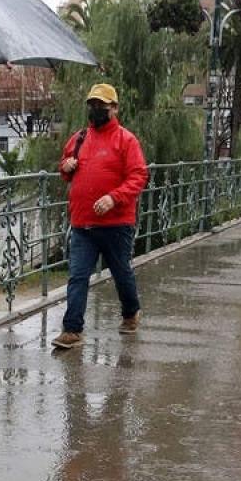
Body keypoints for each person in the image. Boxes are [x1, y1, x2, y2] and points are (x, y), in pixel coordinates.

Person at [51, 83, 149, 350]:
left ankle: (131, 312)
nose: (95, 109)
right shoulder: (79, 138)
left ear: (114, 108)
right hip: (82, 223)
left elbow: (138, 176)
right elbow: (65, 169)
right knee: (77, 276)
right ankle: (72, 330)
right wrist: (66, 166)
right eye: (92, 105)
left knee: (121, 272)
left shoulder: (126, 140)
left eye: (101, 105)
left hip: (116, 224)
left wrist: (113, 197)